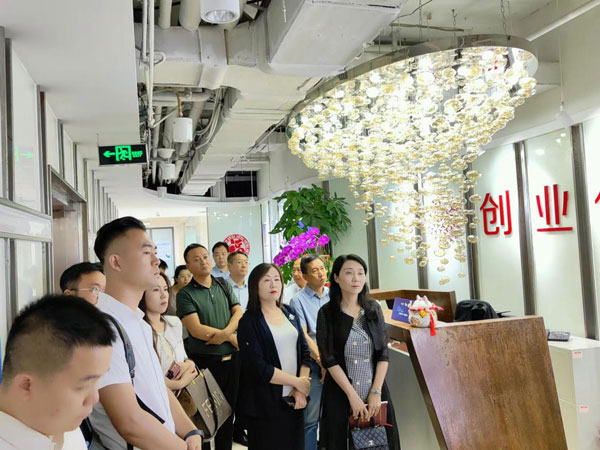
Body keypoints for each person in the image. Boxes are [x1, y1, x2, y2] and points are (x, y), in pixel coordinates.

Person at [90, 217, 203, 450]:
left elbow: (157, 387)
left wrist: (189, 430)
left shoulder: (137, 321)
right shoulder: (102, 328)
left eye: (155, 252)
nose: (156, 260)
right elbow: (130, 423)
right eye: (145, 253)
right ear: (116, 262)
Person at [0, 294, 115, 450]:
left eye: (98, 380)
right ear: (26, 385)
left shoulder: (65, 428)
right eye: (83, 385)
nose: (95, 398)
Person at [316, 254, 400, 450]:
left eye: (360, 273)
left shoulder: (373, 309)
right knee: (341, 442)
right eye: (349, 273)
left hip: (374, 392)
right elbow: (329, 359)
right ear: (336, 278)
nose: (356, 278)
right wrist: (352, 396)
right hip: (341, 394)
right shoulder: (327, 313)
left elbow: (383, 354)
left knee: (380, 443)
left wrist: (376, 392)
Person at [237, 263, 312, 450]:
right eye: (266, 280)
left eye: (277, 279)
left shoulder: (289, 312)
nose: (273, 285)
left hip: (294, 401)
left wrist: (300, 389)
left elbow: (305, 351)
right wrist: (297, 382)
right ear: (255, 286)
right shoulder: (248, 322)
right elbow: (258, 368)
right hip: (265, 405)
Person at [177, 243, 243, 450]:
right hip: (205, 363)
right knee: (205, 416)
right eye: (196, 259)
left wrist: (225, 335)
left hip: (231, 361)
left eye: (205, 257)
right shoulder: (185, 294)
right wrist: (230, 336)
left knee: (229, 413)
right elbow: (196, 329)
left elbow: (238, 312)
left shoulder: (223, 284)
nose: (203, 261)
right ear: (188, 265)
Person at [290, 254, 330, 450]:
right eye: (315, 271)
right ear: (305, 276)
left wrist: (331, 363)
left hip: (336, 364)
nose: (321, 273)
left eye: (322, 268)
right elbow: (304, 335)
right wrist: (323, 362)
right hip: (314, 365)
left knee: (333, 417)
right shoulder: (297, 300)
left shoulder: (334, 295)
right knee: (311, 419)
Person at [139, 272, 199, 392]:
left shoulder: (174, 323)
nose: (164, 295)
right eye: (156, 290)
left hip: (183, 396)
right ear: (141, 294)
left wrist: (190, 364)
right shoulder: (138, 330)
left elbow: (183, 358)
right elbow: (143, 382)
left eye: (166, 289)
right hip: (157, 399)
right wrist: (179, 384)